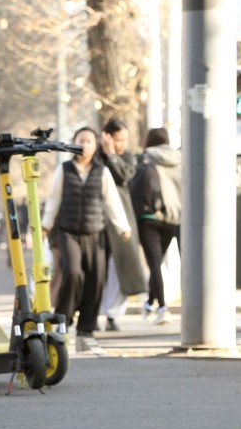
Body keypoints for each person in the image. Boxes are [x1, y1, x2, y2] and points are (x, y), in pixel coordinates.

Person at [41, 126, 131, 343]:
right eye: (80, 140)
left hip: (95, 232)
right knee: (72, 273)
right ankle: (64, 319)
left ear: (96, 145)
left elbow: (112, 202)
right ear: (73, 143)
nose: (84, 145)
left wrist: (122, 226)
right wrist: (46, 225)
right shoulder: (64, 170)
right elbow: (54, 199)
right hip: (68, 232)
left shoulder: (102, 171)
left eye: (89, 141)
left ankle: (87, 326)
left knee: (96, 278)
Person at [128, 127, 182, 325]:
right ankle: (151, 303)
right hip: (173, 217)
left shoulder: (145, 158)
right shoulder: (179, 159)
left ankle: (162, 307)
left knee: (154, 263)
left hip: (148, 217)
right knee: (156, 263)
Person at [97, 118, 147, 331]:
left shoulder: (126, 157)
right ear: (107, 137)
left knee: (121, 269)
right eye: (118, 140)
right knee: (99, 268)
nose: (122, 144)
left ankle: (112, 315)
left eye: (125, 139)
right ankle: (92, 314)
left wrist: (112, 155)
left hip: (121, 218)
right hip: (98, 219)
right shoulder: (94, 157)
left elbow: (124, 176)